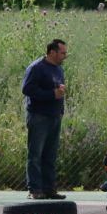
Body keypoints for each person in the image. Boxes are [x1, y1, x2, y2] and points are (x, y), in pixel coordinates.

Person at [21, 39, 68, 200]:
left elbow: (58, 91)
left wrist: (60, 109)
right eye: (62, 53)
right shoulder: (37, 68)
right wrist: (51, 95)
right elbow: (27, 89)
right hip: (39, 116)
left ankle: (49, 189)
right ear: (52, 52)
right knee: (35, 154)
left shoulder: (58, 69)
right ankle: (34, 189)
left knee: (50, 155)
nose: (65, 56)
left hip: (54, 117)